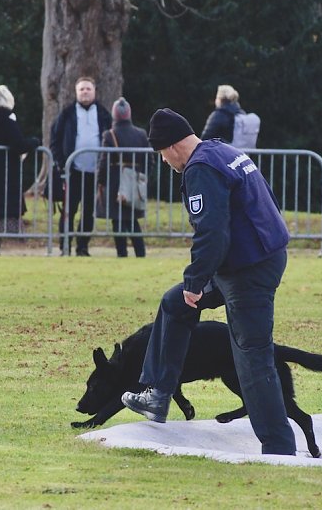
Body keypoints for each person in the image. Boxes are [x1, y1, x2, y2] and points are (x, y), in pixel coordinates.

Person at [121, 108, 296, 456]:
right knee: (174, 304)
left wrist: (196, 280)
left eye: (161, 154)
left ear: (171, 147)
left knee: (252, 356)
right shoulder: (223, 151)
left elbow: (212, 232)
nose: (164, 161)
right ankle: (158, 394)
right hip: (247, 260)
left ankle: (279, 448)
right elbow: (268, 199)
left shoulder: (200, 168)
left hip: (249, 270)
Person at [0, 85, 41, 256]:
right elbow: (19, 145)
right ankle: (5, 240)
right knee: (8, 205)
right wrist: (34, 142)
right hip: (6, 170)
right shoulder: (7, 121)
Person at [49, 76, 112, 256]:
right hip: (72, 171)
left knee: (88, 211)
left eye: (88, 89)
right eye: (82, 89)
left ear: (94, 92)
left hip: (95, 172)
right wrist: (62, 165)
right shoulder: (66, 114)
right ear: (76, 92)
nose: (85, 92)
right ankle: (65, 246)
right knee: (68, 210)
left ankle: (83, 247)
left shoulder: (103, 114)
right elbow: (55, 141)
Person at [95, 97, 150, 257]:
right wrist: (142, 178)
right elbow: (149, 160)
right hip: (135, 181)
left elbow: (104, 161)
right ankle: (140, 252)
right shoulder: (141, 134)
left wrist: (101, 181)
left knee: (118, 219)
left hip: (114, 182)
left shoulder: (109, 135)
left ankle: (122, 253)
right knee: (132, 219)